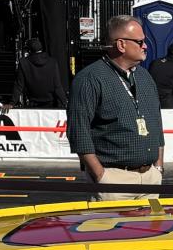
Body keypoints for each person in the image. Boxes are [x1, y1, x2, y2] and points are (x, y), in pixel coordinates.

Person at [67, 16, 162, 201]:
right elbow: (79, 132)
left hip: (151, 178)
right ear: (121, 45)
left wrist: (158, 168)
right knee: (110, 229)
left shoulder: (145, 77)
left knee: (151, 229)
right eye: (140, 42)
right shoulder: (90, 79)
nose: (145, 46)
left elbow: (156, 124)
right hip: (113, 180)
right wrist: (101, 176)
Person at [17, 36, 65, 107]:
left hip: (33, 103)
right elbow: (57, 86)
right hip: (50, 103)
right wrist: (65, 102)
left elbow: (19, 85)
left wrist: (12, 103)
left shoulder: (23, 62)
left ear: (29, 51)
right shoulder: (52, 62)